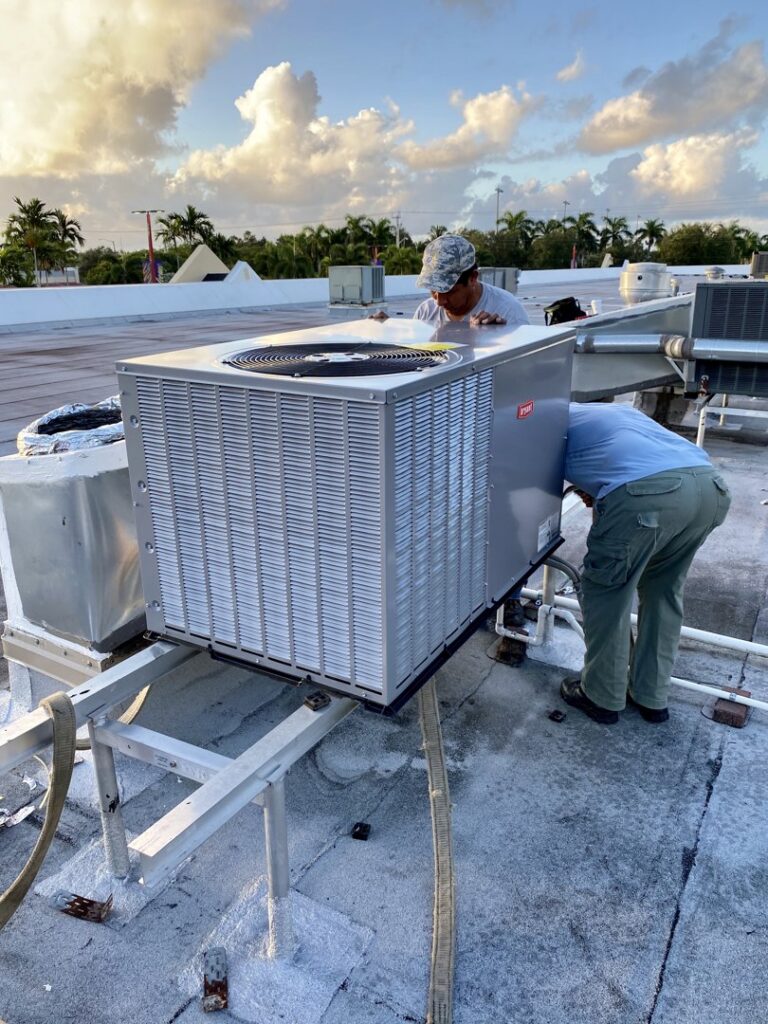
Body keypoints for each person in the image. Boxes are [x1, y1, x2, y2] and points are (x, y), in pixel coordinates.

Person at [560, 402, 731, 725]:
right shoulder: (609, 413)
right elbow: (623, 458)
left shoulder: (544, 423)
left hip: (649, 494)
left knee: (607, 590)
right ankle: (651, 696)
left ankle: (602, 696)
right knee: (664, 590)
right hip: (710, 487)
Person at [372, 234, 529, 327]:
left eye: (448, 290)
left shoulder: (508, 311)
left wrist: (504, 336)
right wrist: (389, 330)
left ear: (473, 278)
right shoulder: (425, 313)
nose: (439, 302)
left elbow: (527, 373)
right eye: (433, 290)